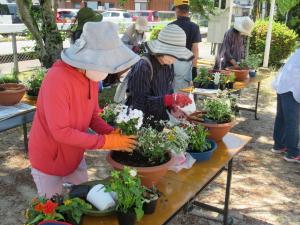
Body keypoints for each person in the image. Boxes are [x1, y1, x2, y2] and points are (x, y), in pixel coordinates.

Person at [29, 21, 141, 198]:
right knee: (53, 212)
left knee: (84, 202)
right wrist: (107, 142)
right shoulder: (57, 79)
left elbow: (92, 116)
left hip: (74, 155)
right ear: (87, 58)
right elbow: (61, 132)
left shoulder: (91, 77)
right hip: (49, 159)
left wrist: (112, 133)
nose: (105, 71)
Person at [126, 24, 193, 130]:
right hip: (141, 126)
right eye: (173, 54)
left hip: (159, 123)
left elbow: (167, 90)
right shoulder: (144, 66)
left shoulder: (168, 64)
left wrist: (173, 107)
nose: (175, 59)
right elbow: (139, 103)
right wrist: (168, 100)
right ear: (161, 50)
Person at [272, 49, 300, 163]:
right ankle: (292, 153)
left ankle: (279, 145)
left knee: (282, 117)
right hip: (291, 87)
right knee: (292, 121)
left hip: (283, 84)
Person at [170, 0, 201, 91]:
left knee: (172, 94)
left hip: (171, 64)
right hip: (188, 65)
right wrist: (194, 68)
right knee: (185, 95)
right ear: (187, 10)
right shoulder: (194, 27)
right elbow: (195, 49)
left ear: (177, 10)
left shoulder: (171, 26)